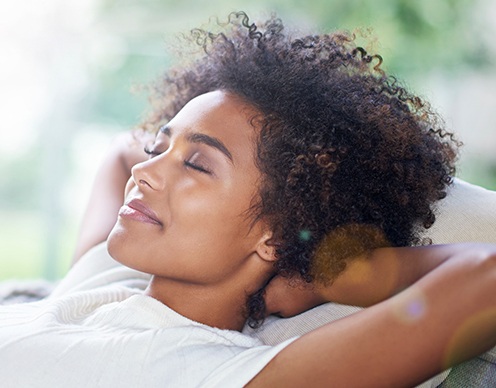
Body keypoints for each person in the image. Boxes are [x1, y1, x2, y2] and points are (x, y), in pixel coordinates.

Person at [0, 11, 495, 387]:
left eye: (197, 164)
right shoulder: (105, 284)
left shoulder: (207, 371)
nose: (145, 170)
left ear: (274, 236)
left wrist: (329, 276)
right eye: (159, 147)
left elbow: (488, 276)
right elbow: (120, 153)